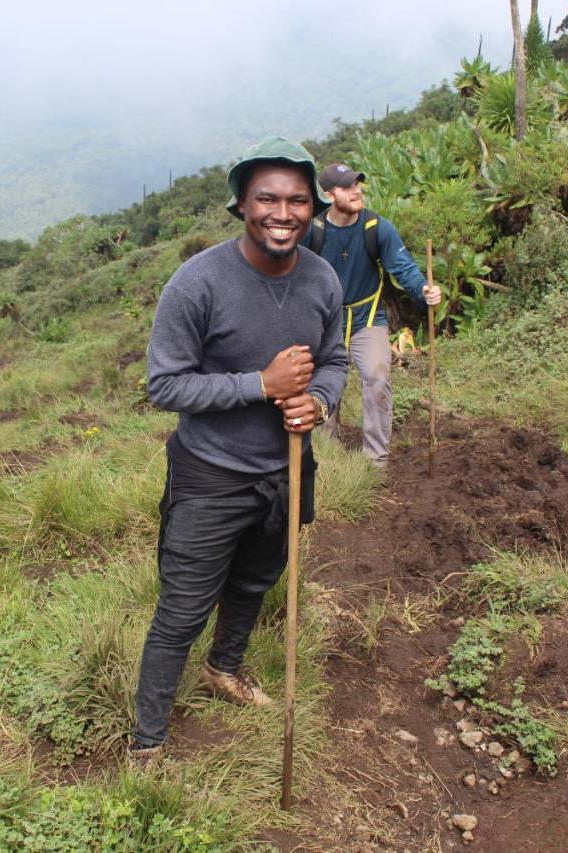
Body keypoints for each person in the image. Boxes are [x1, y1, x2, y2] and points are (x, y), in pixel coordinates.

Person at [130, 137, 349, 765]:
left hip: (287, 469)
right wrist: (261, 384)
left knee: (256, 579)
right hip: (210, 476)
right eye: (267, 199)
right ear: (241, 206)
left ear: (313, 207)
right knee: (183, 609)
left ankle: (224, 670)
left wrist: (321, 402)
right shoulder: (196, 283)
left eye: (297, 201)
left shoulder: (322, 278)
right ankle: (147, 745)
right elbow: (164, 384)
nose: (283, 213)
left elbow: (333, 359)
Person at [308, 163, 442, 467]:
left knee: (377, 377)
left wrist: (423, 289)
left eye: (358, 184)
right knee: (324, 385)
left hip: (367, 318)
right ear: (329, 195)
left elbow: (403, 267)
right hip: (325, 322)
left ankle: (375, 460)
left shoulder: (376, 227)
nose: (356, 190)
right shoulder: (313, 231)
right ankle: (325, 452)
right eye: (347, 186)